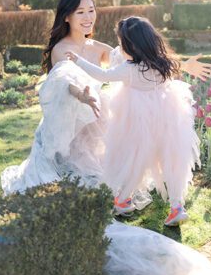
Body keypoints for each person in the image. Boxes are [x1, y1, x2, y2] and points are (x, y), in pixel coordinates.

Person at [0, 0, 211, 275]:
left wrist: (181, 65)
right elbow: (65, 83)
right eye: (81, 12)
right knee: (75, 189)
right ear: (67, 17)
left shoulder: (95, 46)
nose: (89, 17)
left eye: (92, 10)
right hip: (68, 129)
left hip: (96, 123)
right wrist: (84, 93)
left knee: (114, 171)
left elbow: (141, 57)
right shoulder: (62, 50)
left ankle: (134, 199)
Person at [67, 16, 199, 226]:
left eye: (121, 44)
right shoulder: (162, 62)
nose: (119, 48)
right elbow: (177, 68)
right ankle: (176, 207)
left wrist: (77, 60)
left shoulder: (129, 69)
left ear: (132, 46)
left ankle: (122, 199)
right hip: (169, 119)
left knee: (135, 161)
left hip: (140, 122)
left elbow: (103, 75)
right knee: (171, 162)